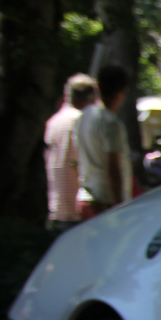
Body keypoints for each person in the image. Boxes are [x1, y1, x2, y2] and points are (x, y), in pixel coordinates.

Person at [76, 65, 132, 219]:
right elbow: (113, 170)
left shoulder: (84, 116)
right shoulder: (111, 123)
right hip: (104, 203)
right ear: (123, 92)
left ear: (98, 88)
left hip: (85, 196)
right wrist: (119, 209)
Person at [44, 73, 96, 230]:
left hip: (57, 206)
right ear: (90, 97)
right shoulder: (82, 120)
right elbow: (86, 165)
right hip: (79, 209)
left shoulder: (53, 121)